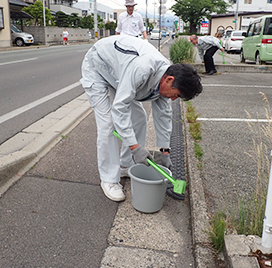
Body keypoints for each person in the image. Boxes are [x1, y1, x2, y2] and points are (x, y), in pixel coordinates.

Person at [80, 36, 202, 201]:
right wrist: (135, 146)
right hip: (98, 66)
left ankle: (124, 165)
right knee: (108, 124)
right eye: (177, 95)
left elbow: (164, 114)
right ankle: (109, 179)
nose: (174, 99)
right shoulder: (143, 68)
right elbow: (120, 107)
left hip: (119, 73)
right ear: (169, 79)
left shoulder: (166, 76)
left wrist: (165, 151)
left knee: (139, 118)